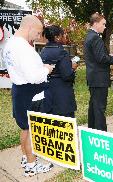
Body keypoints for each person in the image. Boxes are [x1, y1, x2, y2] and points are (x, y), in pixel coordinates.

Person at [3, 15, 54, 176]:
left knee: (25, 127)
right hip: (31, 93)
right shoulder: (23, 48)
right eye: (38, 33)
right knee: (33, 130)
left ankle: (26, 157)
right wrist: (46, 69)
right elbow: (34, 77)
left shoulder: (10, 44)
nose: (38, 37)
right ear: (30, 27)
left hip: (19, 90)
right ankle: (32, 166)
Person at [84, 12, 113, 131]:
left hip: (93, 77)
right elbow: (102, 59)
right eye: (103, 24)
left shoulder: (89, 36)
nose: (105, 27)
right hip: (99, 78)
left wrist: (109, 55)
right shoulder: (95, 38)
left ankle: (92, 129)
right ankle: (101, 133)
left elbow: (97, 57)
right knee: (100, 107)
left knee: (94, 106)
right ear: (95, 23)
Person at [40, 25, 77, 117]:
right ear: (57, 37)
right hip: (61, 95)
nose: (65, 37)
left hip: (48, 92)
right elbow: (67, 75)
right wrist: (73, 68)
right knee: (65, 125)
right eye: (63, 35)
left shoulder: (43, 51)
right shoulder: (61, 52)